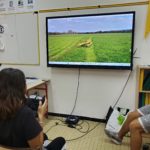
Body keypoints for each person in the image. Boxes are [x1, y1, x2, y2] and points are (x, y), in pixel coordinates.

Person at [0, 68, 66, 150]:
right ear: (23, 87)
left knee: (44, 136)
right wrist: (41, 116)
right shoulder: (25, 114)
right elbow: (38, 147)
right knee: (61, 140)